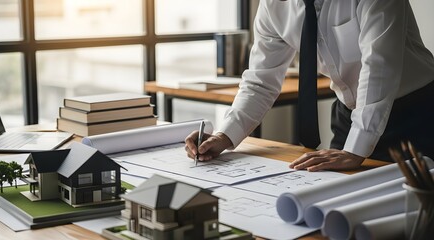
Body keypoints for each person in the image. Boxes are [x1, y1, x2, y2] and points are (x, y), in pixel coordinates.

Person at [185, 0, 434, 171]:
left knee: (413, 216)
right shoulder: (274, 6)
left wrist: (356, 149)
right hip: (349, 118)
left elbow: (380, 65)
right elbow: (260, 80)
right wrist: (224, 135)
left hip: (416, 114)